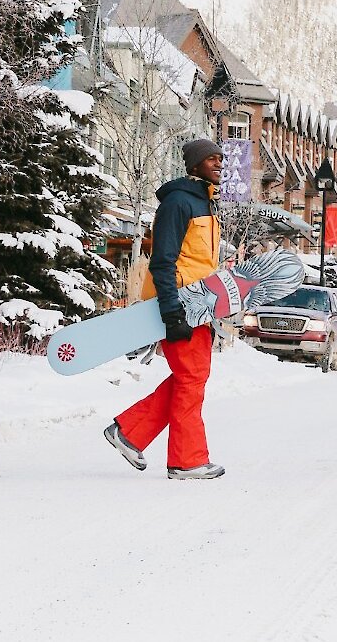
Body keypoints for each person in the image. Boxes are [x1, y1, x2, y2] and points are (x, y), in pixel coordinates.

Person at [106, 139, 230, 480]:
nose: (218, 164)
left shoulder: (207, 204)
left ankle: (129, 431)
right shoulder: (178, 203)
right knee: (191, 379)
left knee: (192, 378)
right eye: (210, 159)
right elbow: (163, 261)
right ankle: (187, 460)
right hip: (179, 304)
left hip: (199, 305)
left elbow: (200, 262)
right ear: (193, 165)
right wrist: (171, 311)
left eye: (221, 158)